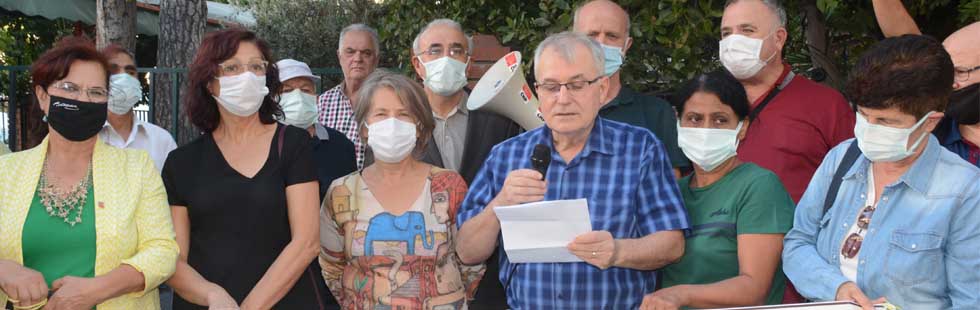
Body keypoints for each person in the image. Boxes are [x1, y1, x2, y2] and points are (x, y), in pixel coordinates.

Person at [455, 32, 689, 309]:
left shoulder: (641, 149)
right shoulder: (506, 155)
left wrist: (618, 251)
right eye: (551, 87)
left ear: (602, 90)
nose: (563, 99)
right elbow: (467, 252)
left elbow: (672, 244)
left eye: (577, 85)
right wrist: (501, 202)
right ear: (537, 92)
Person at [783, 35, 980, 310]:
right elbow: (798, 242)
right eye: (863, 115)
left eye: (885, 121)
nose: (868, 128)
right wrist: (836, 287)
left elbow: (970, 302)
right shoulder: (842, 158)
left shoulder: (965, 192)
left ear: (930, 122)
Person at [0, 37, 178, 309]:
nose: (83, 99)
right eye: (70, 88)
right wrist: (3, 268)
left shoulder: (137, 168)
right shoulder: (6, 172)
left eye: (96, 92)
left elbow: (164, 251)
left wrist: (97, 290)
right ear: (43, 97)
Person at [161, 28, 322, 309]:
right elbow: (173, 260)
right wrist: (213, 296)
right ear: (210, 83)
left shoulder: (293, 144)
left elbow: (306, 241)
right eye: (232, 67)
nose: (247, 76)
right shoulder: (181, 163)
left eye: (256, 67)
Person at [319, 70, 485, 309]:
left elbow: (471, 262)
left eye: (404, 114)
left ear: (419, 126)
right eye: (381, 114)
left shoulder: (448, 185)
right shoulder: (342, 191)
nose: (392, 123)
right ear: (364, 127)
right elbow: (331, 266)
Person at [640, 70, 794, 310]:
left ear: (742, 128)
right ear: (678, 122)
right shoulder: (672, 192)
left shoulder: (759, 186)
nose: (706, 129)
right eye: (694, 118)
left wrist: (680, 295)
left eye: (720, 120)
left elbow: (754, 289)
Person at [720, 0, 855, 203]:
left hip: (795, 232)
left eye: (747, 30)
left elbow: (856, 180)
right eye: (726, 33)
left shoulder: (826, 104)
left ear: (779, 38)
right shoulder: (706, 103)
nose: (734, 41)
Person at [572, 0, 689, 176]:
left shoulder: (656, 113)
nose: (601, 43)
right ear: (573, 41)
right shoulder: (556, 109)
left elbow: (670, 187)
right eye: (592, 35)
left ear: (626, 45)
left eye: (612, 36)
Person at [410, 18, 522, 184]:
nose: (446, 59)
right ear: (417, 65)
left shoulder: (498, 118)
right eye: (435, 51)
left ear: (468, 64)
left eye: (456, 51)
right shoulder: (400, 118)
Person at [870, 2, 980, 167]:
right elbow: (907, 43)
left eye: (960, 72)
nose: (948, 81)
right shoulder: (932, 128)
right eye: (946, 71)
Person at [276, 58, 357, 199]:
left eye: (305, 90)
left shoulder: (341, 146)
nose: (298, 96)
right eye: (287, 90)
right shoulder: (260, 147)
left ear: (316, 97)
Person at [98, 44, 177, 172]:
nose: (124, 77)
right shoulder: (85, 139)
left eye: (130, 72)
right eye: (113, 70)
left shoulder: (161, 140)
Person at [319, 24, 380, 169]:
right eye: (350, 52)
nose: (357, 58)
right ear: (339, 57)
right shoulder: (322, 103)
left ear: (376, 60)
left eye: (366, 53)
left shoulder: (391, 103)